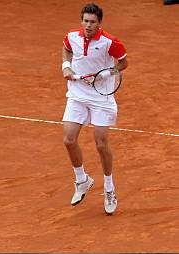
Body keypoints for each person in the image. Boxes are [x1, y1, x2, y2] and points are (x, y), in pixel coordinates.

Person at [61, 3, 128, 214]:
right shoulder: (72, 36)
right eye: (85, 21)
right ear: (81, 21)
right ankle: (82, 180)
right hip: (78, 94)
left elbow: (124, 63)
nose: (88, 25)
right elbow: (66, 50)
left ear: (99, 23)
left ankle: (109, 188)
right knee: (69, 139)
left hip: (101, 97)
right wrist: (66, 66)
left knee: (101, 144)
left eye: (92, 22)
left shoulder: (110, 42)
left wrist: (105, 74)